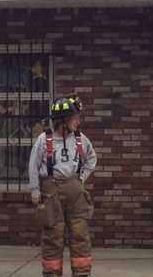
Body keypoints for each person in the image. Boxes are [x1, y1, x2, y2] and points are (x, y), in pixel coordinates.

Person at [28, 96, 97, 277]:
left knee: (80, 233)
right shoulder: (44, 140)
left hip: (75, 191)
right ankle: (52, 273)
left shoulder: (81, 139)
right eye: (75, 118)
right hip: (51, 191)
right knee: (53, 235)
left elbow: (91, 159)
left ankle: (81, 273)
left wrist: (81, 178)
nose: (78, 121)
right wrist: (35, 190)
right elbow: (33, 166)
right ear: (63, 121)